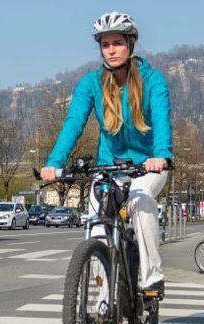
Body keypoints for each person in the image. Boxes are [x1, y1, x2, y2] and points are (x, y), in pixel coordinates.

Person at [40, 11, 172, 293]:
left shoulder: (153, 81)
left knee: (141, 201)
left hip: (146, 167)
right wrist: (54, 162)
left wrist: (161, 155)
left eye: (117, 43)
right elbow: (73, 123)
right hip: (108, 167)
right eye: (105, 44)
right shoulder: (91, 83)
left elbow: (162, 121)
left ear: (130, 44)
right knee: (97, 225)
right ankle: (103, 298)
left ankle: (151, 278)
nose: (111, 50)